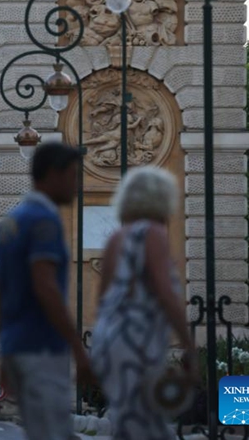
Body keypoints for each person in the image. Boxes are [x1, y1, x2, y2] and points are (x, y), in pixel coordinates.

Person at [0, 142, 94, 440]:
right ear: (53, 174)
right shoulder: (44, 221)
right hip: (43, 348)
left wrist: (4, 352)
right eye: (73, 176)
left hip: (18, 347)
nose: (77, 185)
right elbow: (45, 286)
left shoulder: (10, 222)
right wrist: (78, 347)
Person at [90, 166, 197, 439]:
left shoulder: (116, 238)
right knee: (146, 424)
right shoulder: (153, 233)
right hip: (136, 341)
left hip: (109, 340)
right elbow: (164, 291)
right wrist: (188, 341)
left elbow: (102, 298)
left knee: (129, 421)